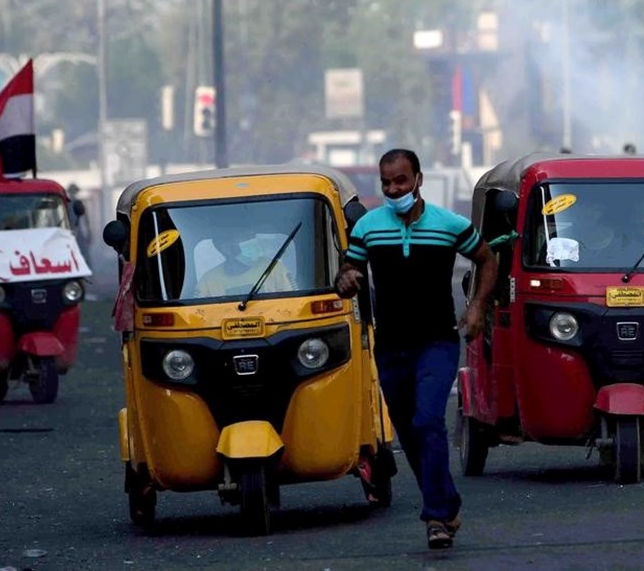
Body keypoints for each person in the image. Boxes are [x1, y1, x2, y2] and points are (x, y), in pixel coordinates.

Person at [334, 149, 498, 549]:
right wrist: (348, 278)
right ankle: (447, 502)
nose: (394, 190)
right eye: (387, 183)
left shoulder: (449, 224)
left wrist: (477, 306)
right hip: (390, 345)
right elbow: (348, 269)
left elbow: (486, 258)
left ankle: (436, 517)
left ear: (419, 180)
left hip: (437, 341)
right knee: (408, 431)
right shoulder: (368, 228)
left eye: (401, 182)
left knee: (427, 420)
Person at [196, 231, 296, 298]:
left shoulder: (274, 268)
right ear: (227, 248)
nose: (253, 242)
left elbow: (294, 304)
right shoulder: (208, 281)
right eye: (246, 239)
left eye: (252, 237)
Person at [67, 184, 93, 267]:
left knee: (83, 252)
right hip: (71, 231)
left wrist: (89, 232)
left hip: (78, 231)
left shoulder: (76, 203)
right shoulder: (68, 203)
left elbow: (86, 218)